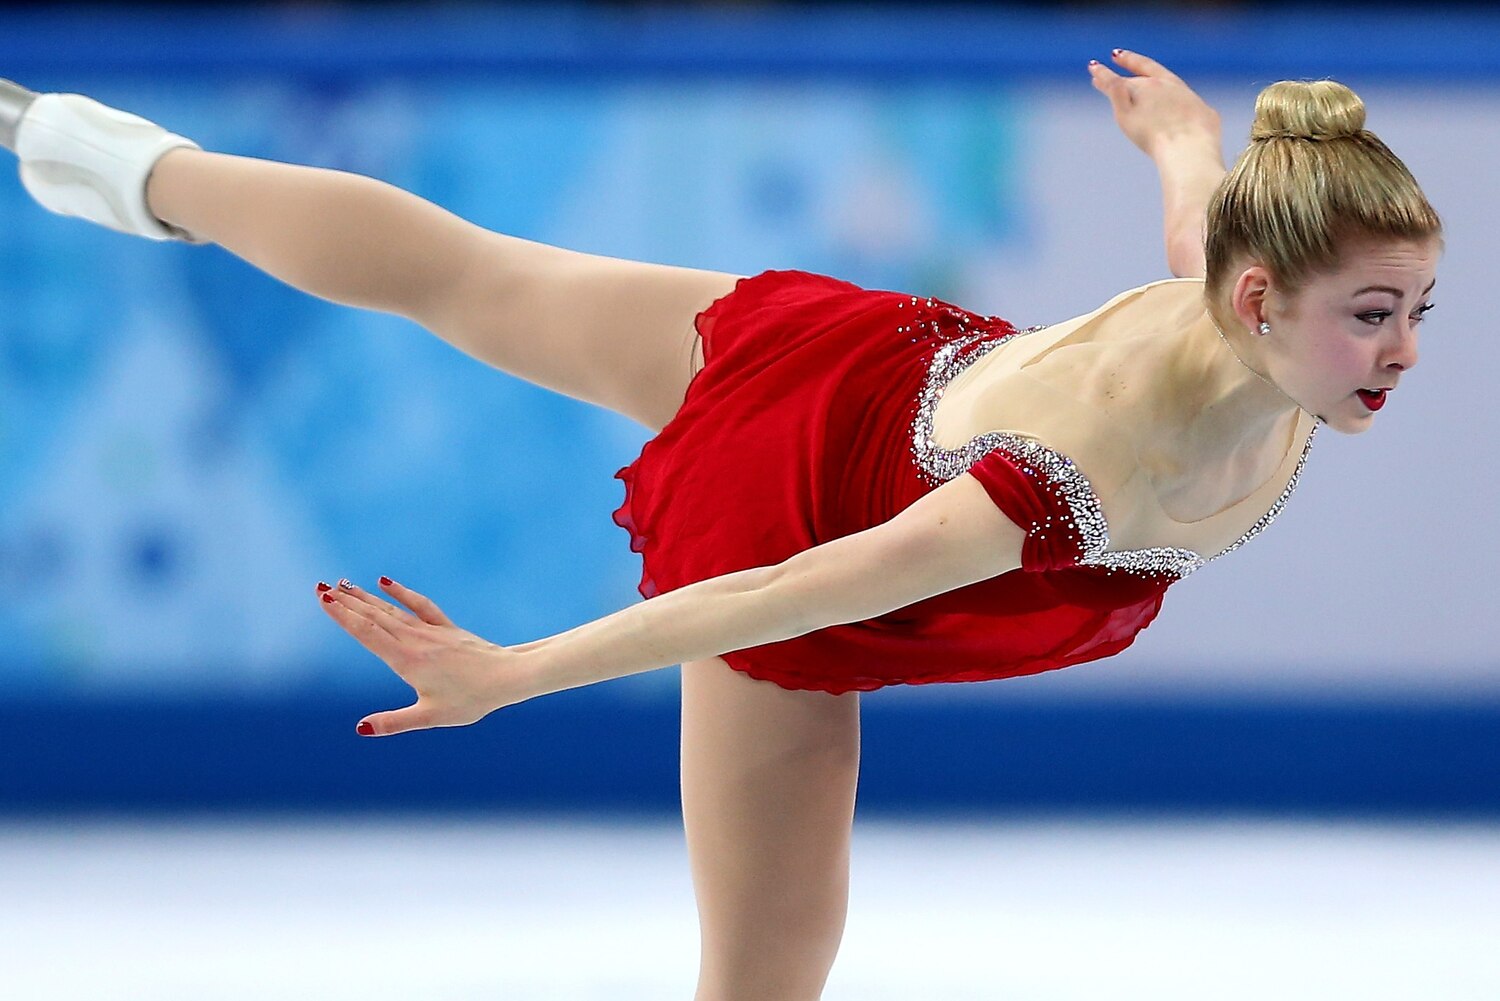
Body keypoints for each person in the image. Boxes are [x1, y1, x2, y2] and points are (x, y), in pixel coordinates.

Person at [3, 49, 1441, 1000]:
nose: (1401, 353)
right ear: (1262, 304)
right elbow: (785, 587)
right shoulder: (1097, 463)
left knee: (473, 274)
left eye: (1417, 310)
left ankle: (96, 154)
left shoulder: (1248, 289)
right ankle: (111, 158)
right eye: (1375, 317)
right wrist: (515, 672)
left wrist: (1184, 138)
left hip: (880, 371)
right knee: (764, 976)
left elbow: (1204, 217)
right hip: (805, 511)